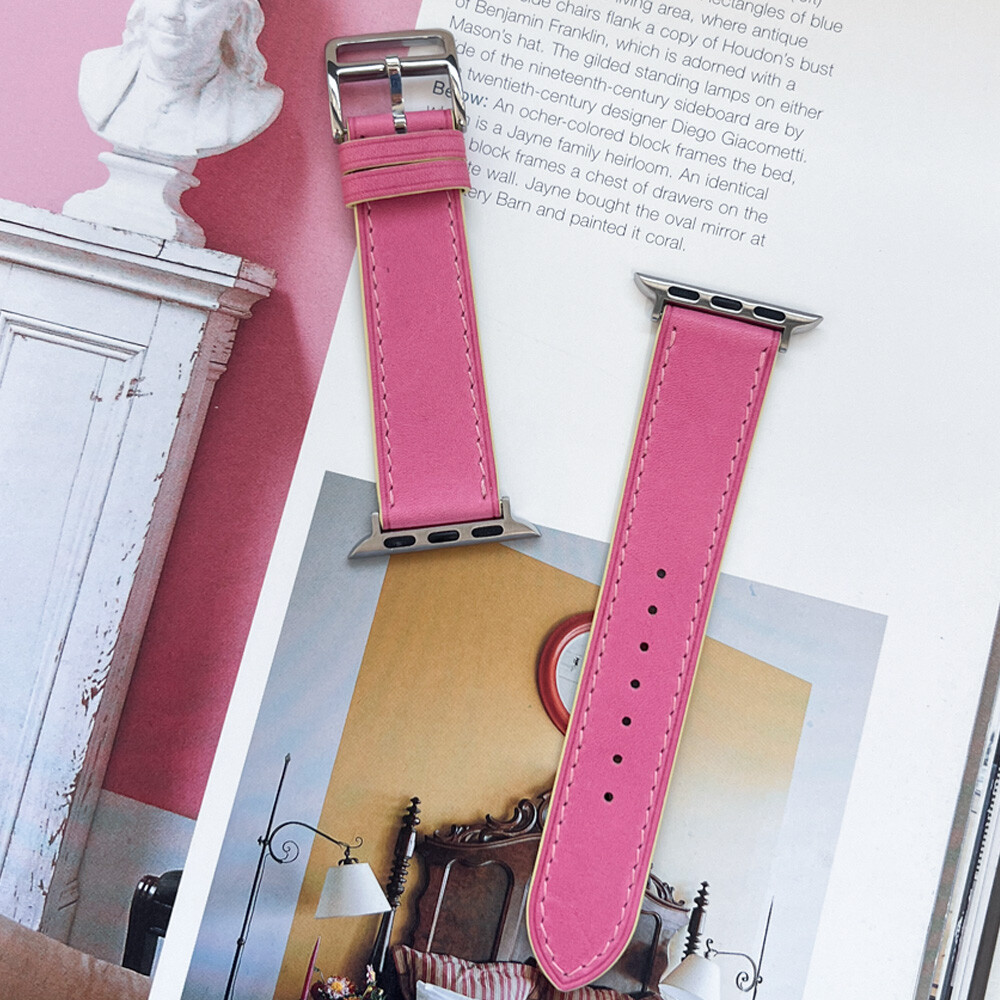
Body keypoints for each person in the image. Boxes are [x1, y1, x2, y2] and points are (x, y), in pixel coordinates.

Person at [78, 0, 282, 161]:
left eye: (198, 2)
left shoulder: (254, 106)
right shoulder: (98, 71)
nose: (172, 12)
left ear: (233, 13)